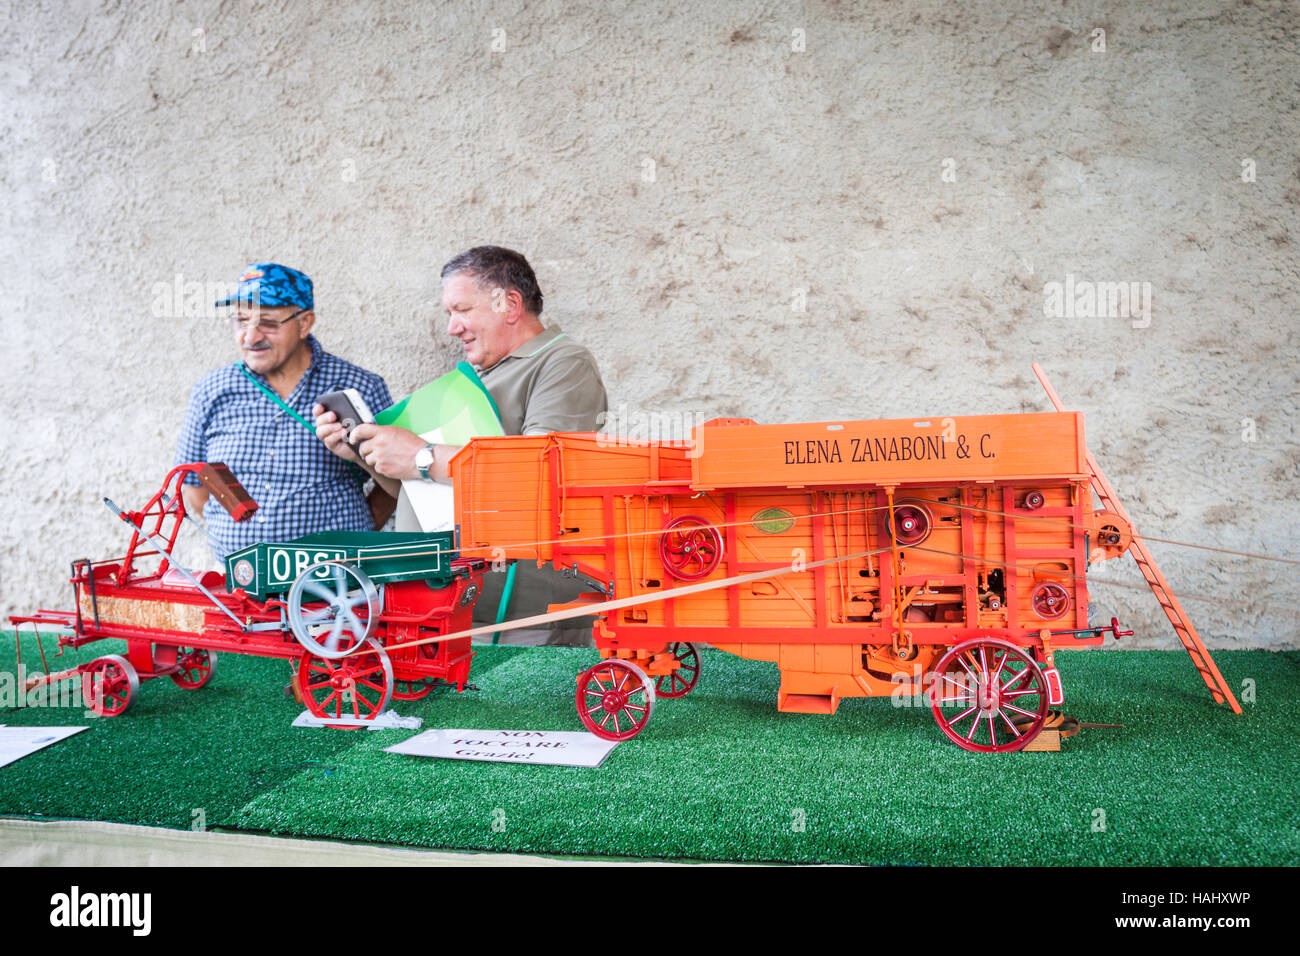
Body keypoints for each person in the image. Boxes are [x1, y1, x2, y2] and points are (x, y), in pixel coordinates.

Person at [315, 246, 607, 643]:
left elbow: (539, 473)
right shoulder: (477, 376)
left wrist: (421, 456)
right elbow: (425, 493)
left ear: (510, 304)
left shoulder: (564, 362)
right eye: (448, 314)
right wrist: (366, 455)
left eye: (462, 310)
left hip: (529, 621)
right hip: (461, 608)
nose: (453, 328)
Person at [176, 262, 393, 562]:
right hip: (240, 588)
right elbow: (195, 489)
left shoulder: (358, 387)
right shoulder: (211, 390)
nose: (250, 337)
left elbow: (396, 483)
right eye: (240, 320)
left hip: (334, 584)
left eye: (268, 322)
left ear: (304, 323)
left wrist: (356, 531)